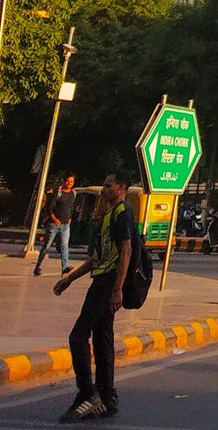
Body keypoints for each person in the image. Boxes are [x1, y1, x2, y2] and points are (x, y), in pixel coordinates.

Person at [53, 170, 135, 422]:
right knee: (102, 339)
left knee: (78, 336)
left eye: (109, 186)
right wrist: (69, 279)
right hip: (102, 279)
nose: (104, 190)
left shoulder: (123, 212)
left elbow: (126, 250)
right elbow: (97, 258)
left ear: (121, 187)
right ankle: (107, 396)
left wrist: (118, 289)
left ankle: (87, 393)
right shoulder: (110, 214)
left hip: (107, 283)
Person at [34, 174, 76, 277]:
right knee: (46, 246)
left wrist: (70, 217)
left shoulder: (73, 193)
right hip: (54, 224)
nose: (69, 183)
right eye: (67, 181)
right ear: (64, 181)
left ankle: (65, 267)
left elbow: (71, 207)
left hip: (65, 225)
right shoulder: (58, 192)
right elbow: (50, 207)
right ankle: (38, 266)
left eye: (71, 181)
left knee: (64, 246)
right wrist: (54, 218)